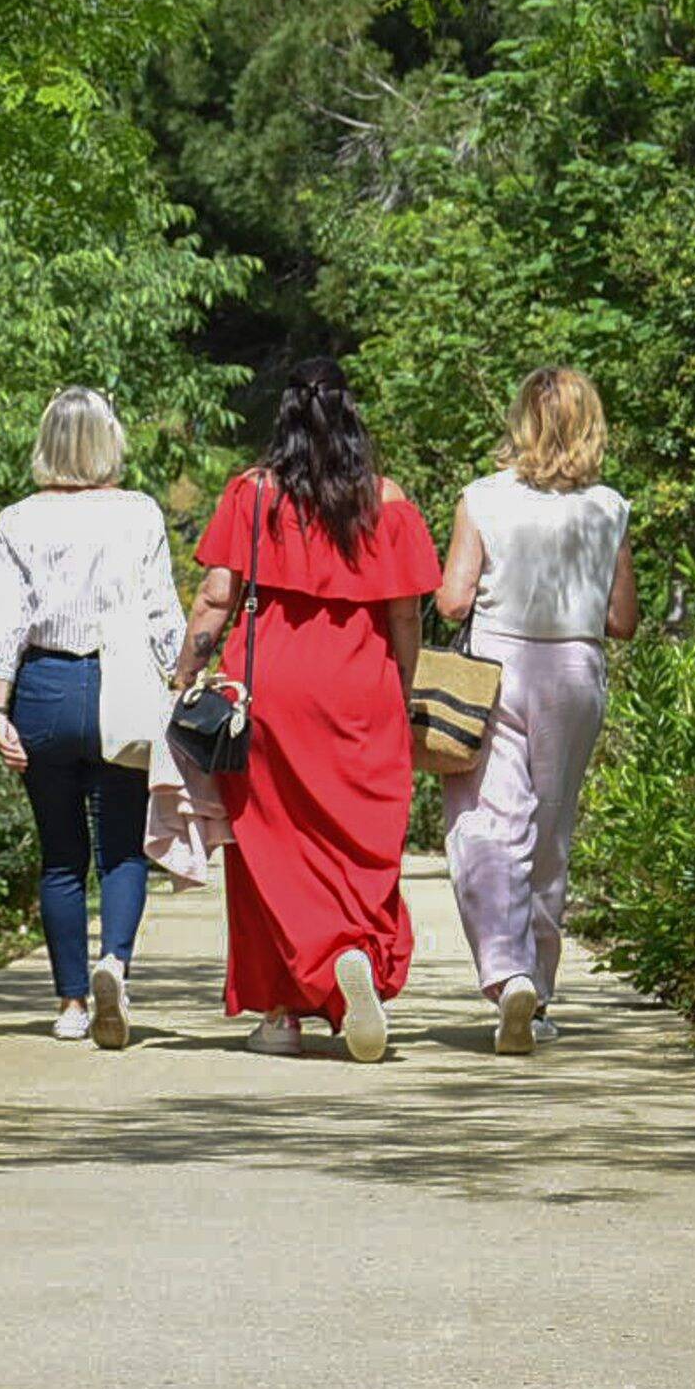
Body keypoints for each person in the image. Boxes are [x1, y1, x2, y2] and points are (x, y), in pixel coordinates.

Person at [185, 359, 440, 1060]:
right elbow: (406, 615)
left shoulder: (252, 493)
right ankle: (353, 950)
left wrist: (186, 669)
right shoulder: (388, 502)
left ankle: (280, 1015)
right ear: (351, 414)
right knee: (360, 839)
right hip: (360, 687)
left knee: (271, 849)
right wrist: (404, 692)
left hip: (270, 688)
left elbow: (216, 597)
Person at [436, 365, 639, 1054]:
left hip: (495, 671)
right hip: (574, 673)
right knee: (550, 834)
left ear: (522, 420)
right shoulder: (610, 508)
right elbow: (623, 618)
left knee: (485, 825)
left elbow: (455, 599)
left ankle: (505, 971)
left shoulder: (483, 498)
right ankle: (540, 994)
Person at [0, 386, 190, 1049]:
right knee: (123, 844)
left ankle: (71, 1001)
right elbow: (162, 613)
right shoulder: (138, 512)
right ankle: (115, 966)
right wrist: (182, 683)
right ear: (109, 442)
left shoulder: (17, 519)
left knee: (61, 853)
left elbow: (4, 620)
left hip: (44, 685)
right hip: (121, 685)